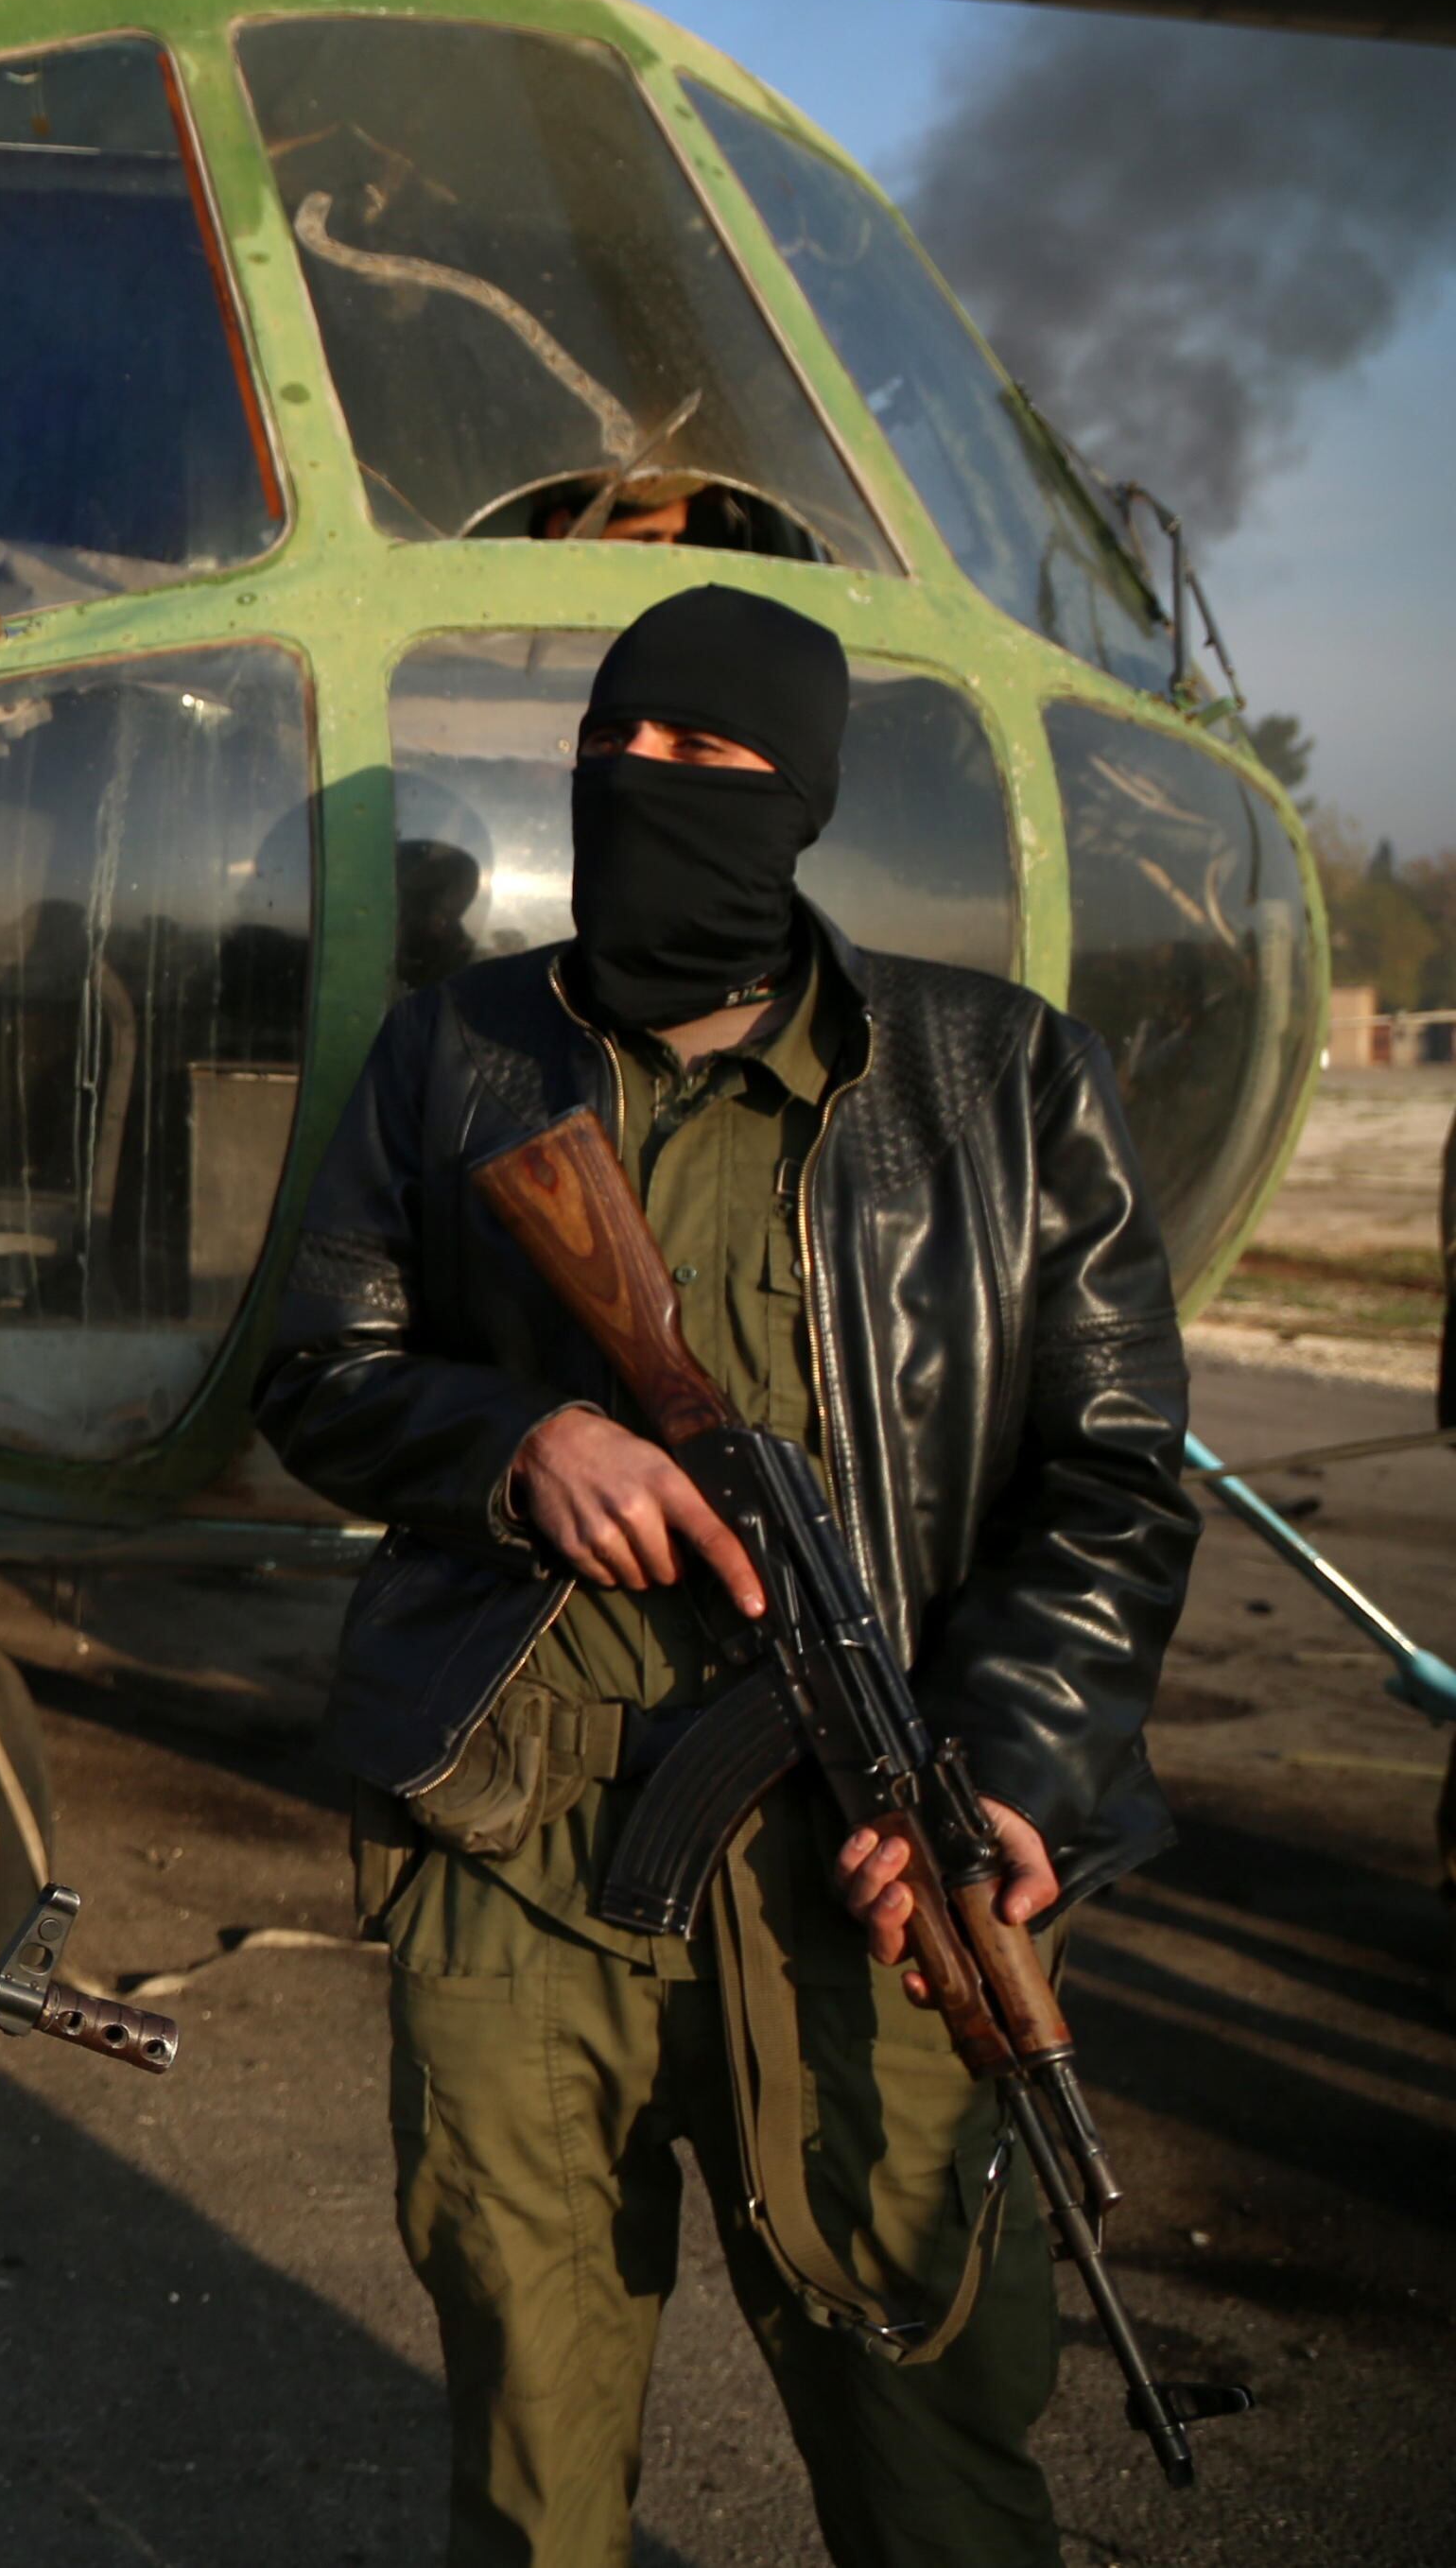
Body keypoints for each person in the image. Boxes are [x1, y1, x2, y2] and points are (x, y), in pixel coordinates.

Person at [254, 585, 1198, 2568]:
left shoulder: (999, 1081)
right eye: (622, 744)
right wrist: (515, 1443)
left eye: (704, 757)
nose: (644, 786)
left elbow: (1109, 1483)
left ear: (802, 798)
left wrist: (1008, 1761)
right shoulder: (457, 1053)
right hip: (519, 1848)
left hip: (867, 1863)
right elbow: (315, 1374)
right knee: (530, 2436)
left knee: (928, 2431)